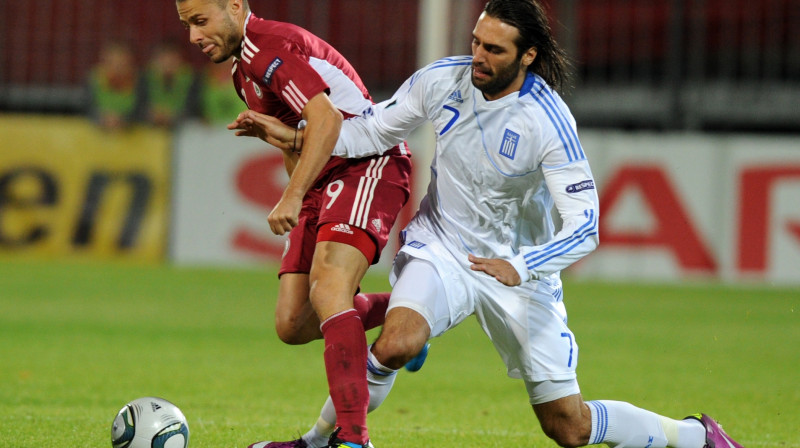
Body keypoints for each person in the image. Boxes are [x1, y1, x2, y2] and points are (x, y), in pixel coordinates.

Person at [229, 1, 746, 447]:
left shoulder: (548, 121)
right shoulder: (441, 80)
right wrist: (293, 138)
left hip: (521, 273)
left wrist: (521, 266)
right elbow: (371, 133)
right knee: (395, 344)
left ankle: (697, 436)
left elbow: (584, 226)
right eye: (476, 42)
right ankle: (321, 440)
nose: (478, 55)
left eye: (494, 50)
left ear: (527, 56)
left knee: (569, 426)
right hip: (443, 247)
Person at [176, 1, 415, 447]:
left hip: (368, 165)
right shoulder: (240, 72)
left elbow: (324, 119)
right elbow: (299, 141)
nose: (193, 36)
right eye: (187, 25)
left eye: (199, 21)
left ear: (233, 7)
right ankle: (413, 314)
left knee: (328, 291)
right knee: (292, 322)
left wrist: (291, 196)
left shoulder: (266, 47)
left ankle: (351, 439)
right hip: (324, 177)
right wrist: (305, 195)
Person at [86, 40, 143, 131]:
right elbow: (86, 107)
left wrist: (123, 120)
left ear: (129, 62)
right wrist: (102, 119)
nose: (117, 66)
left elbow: (141, 109)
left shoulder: (139, 81)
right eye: (113, 61)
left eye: (121, 62)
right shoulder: (95, 78)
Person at [141, 41, 199, 128]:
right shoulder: (145, 78)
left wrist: (172, 117)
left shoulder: (192, 80)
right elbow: (138, 108)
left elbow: (196, 109)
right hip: (151, 129)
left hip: (182, 129)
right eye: (163, 59)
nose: (168, 64)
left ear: (181, 60)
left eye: (172, 59)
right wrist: (151, 115)